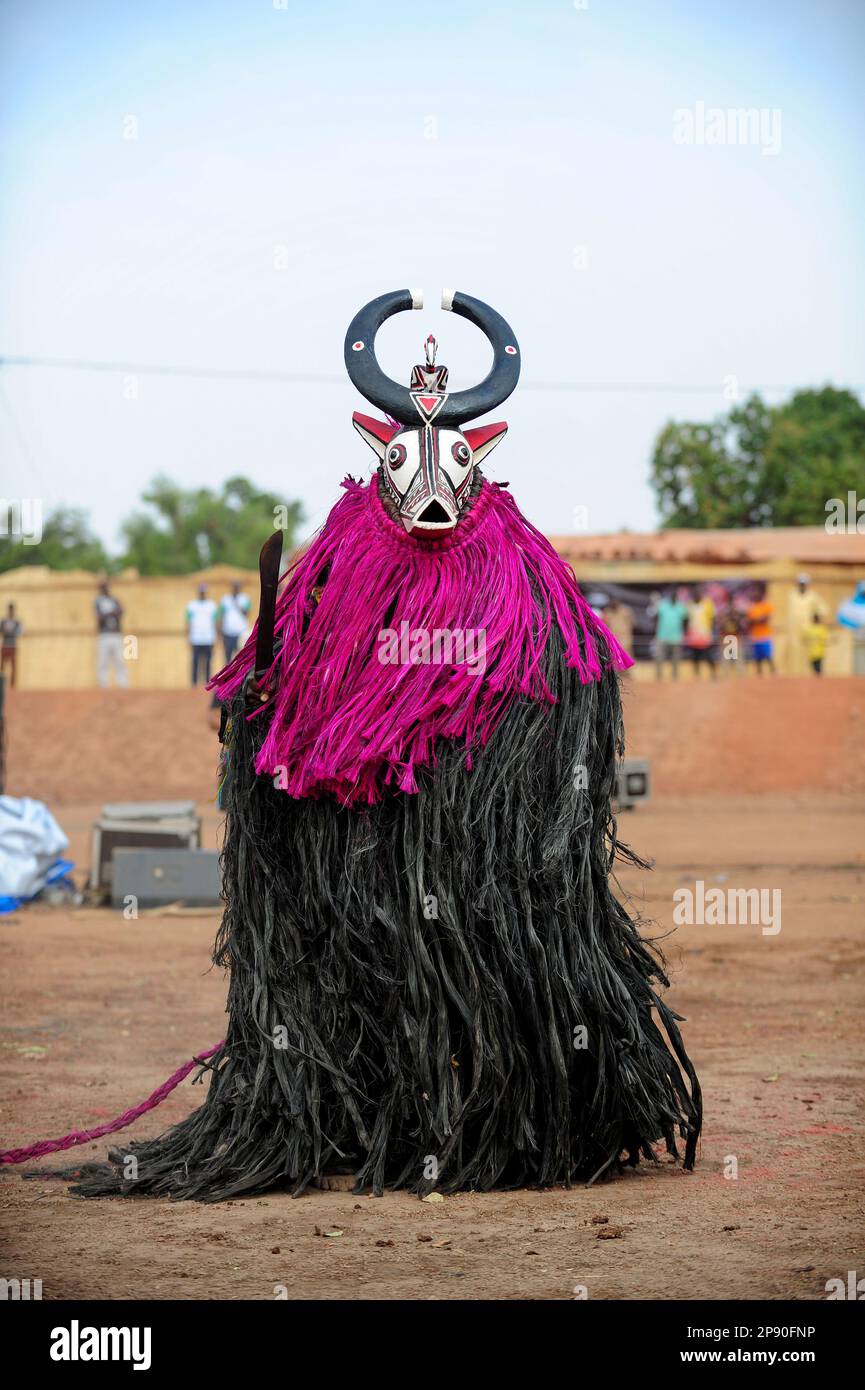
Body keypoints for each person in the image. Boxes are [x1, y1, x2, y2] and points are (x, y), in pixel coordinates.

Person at [76, 289, 699, 1201]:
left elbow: (574, 679)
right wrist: (262, 712)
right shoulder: (337, 565)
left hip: (478, 839)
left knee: (489, 954)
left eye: (454, 470)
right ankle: (355, 1116)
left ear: (480, 459)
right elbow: (277, 696)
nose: (433, 495)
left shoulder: (526, 581)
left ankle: (507, 1119)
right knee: (361, 955)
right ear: (378, 454)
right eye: (409, 466)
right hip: (361, 833)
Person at [788, 573, 827, 676]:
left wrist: (816, 618)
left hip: (809, 629)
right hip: (794, 629)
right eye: (800, 583)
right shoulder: (792, 594)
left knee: (810, 652)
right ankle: (795, 674)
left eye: (804, 583)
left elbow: (823, 609)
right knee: (795, 651)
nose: (802, 585)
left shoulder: (813, 595)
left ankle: (810, 675)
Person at [94, 580, 127, 689]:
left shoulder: (114, 600)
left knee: (119, 660)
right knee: (103, 661)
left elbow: (121, 611)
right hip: (104, 635)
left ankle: (123, 684)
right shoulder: (98, 601)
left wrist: (108, 614)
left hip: (116, 634)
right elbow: (99, 617)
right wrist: (112, 613)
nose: (105, 589)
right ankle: (103, 685)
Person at [653, 587, 689, 679]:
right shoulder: (663, 605)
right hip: (662, 636)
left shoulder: (681, 606)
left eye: (674, 596)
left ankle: (674, 677)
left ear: (676, 597)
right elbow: (656, 617)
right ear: (669, 597)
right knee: (659, 657)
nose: (673, 597)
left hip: (676, 637)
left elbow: (685, 620)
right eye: (671, 596)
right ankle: (659, 676)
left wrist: (683, 632)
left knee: (676, 659)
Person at [186, 583, 218, 686]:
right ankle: (194, 683)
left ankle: (207, 682)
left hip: (209, 637)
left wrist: (216, 636)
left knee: (208, 661)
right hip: (195, 638)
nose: (202, 593)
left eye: (203, 592)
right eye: (200, 592)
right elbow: (188, 622)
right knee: (195, 661)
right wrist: (188, 636)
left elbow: (215, 622)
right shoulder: (191, 605)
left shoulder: (211, 605)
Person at [685, 584, 717, 679]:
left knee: (707, 655)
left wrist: (712, 631)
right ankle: (696, 674)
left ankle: (713, 672)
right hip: (693, 634)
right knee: (695, 656)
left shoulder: (708, 603)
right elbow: (686, 619)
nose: (696, 594)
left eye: (698, 593)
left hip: (704, 634)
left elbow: (713, 618)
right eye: (694, 593)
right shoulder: (689, 604)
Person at [746, 581, 776, 675]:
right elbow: (749, 622)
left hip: (765, 636)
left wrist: (756, 620)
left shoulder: (766, 605)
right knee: (757, 658)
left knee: (768, 656)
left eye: (757, 592)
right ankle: (759, 676)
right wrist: (758, 619)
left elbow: (765, 619)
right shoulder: (752, 607)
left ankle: (774, 673)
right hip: (755, 636)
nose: (755, 594)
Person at [218, 581, 251, 663]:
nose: (235, 589)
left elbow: (246, 613)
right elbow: (222, 615)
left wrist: (237, 604)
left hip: (241, 632)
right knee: (227, 657)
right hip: (228, 632)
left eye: (237, 587)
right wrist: (220, 631)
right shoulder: (225, 599)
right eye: (234, 587)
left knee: (242, 656)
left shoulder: (245, 598)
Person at [603, 597, 635, 666]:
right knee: (614, 656)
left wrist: (629, 635)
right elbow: (604, 625)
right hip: (613, 638)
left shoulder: (625, 611)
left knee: (626, 655)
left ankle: (627, 672)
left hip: (625, 638)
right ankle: (617, 673)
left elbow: (632, 623)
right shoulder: (607, 612)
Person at [0, 603, 22, 688]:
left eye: (12, 610)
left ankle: (12, 685)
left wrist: (11, 632)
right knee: (2, 666)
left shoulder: (16, 621)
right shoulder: (3, 621)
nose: (10, 612)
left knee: (13, 667)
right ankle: (1, 685)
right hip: (5, 645)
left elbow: (20, 632)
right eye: (10, 610)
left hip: (12, 645)